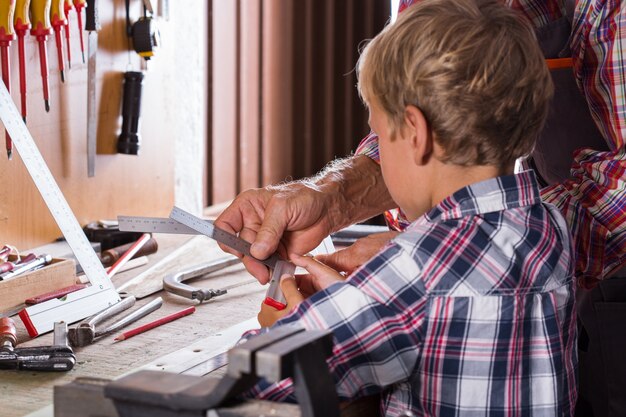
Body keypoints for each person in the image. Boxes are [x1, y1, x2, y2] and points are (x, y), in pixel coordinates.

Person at [233, 1, 577, 415]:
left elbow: (257, 380)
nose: (378, 150)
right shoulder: (548, 227)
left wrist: (279, 328)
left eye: (379, 133)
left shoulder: (415, 269)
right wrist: (359, 299)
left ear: (416, 132)